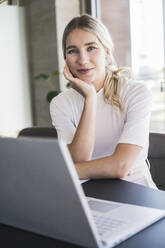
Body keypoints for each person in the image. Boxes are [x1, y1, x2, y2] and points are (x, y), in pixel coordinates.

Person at [50, 14, 157, 188]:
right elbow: (78, 158)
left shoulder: (136, 92)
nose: (82, 60)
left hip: (137, 190)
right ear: (66, 58)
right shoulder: (60, 103)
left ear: (107, 52)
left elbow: (120, 166)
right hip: (88, 192)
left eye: (91, 48)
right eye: (72, 51)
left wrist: (64, 170)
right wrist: (90, 99)